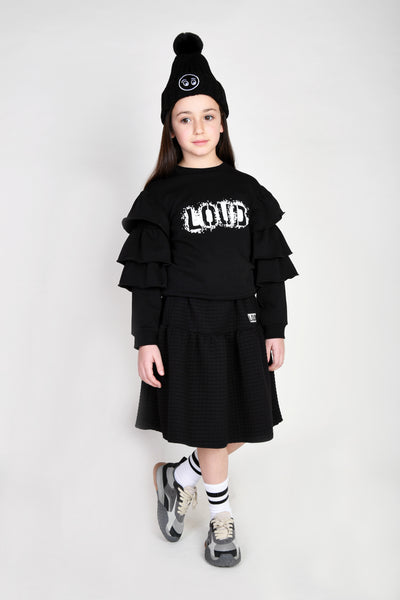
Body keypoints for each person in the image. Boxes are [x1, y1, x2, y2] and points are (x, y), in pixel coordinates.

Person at [116, 32, 299, 568]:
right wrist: (146, 339)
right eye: (185, 118)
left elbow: (269, 269)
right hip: (186, 326)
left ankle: (180, 476)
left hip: (242, 323)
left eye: (208, 116)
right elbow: (148, 278)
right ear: (171, 129)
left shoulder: (248, 190)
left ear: (222, 122)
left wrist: (275, 327)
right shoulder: (160, 196)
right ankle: (222, 521)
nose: (198, 128)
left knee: (243, 424)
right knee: (217, 432)